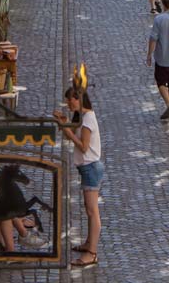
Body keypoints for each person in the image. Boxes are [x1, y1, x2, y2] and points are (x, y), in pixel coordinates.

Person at [53, 86, 103, 269]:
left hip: (91, 168)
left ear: (79, 99)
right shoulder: (83, 117)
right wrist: (64, 123)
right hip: (88, 168)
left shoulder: (88, 119)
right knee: (89, 209)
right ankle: (89, 244)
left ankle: (92, 253)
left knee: (92, 211)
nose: (68, 103)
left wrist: (67, 132)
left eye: (70, 100)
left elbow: (83, 146)